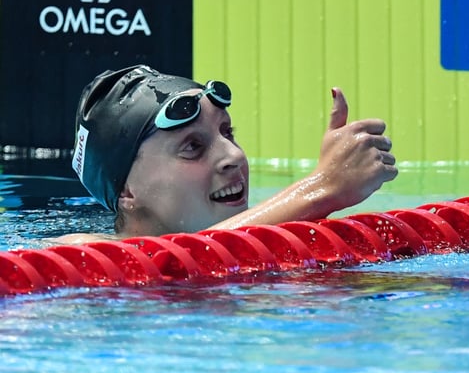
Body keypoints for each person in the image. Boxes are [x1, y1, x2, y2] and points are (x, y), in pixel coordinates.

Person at [56, 64, 397, 244]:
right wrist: (324, 187)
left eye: (227, 133)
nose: (233, 155)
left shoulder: (274, 247)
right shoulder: (77, 252)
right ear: (128, 191)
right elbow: (172, 261)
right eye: (192, 147)